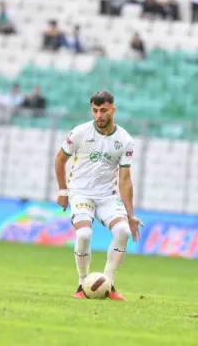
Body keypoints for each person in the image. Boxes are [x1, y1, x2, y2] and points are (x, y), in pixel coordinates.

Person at [54, 91, 144, 302]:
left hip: (106, 195)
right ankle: (82, 284)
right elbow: (60, 159)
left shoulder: (125, 140)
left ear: (113, 109)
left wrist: (131, 215)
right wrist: (63, 191)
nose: (99, 115)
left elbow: (125, 179)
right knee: (84, 235)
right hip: (81, 192)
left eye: (103, 110)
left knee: (123, 231)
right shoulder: (80, 132)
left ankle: (109, 284)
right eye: (95, 111)